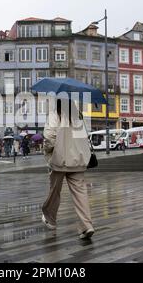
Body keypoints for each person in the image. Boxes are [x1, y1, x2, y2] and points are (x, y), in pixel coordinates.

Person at [42, 99, 95, 240]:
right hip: (77, 160)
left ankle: (50, 218)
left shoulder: (55, 115)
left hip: (59, 160)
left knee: (54, 191)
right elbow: (84, 137)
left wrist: (48, 151)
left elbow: (49, 137)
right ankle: (86, 226)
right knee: (80, 193)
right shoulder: (78, 116)